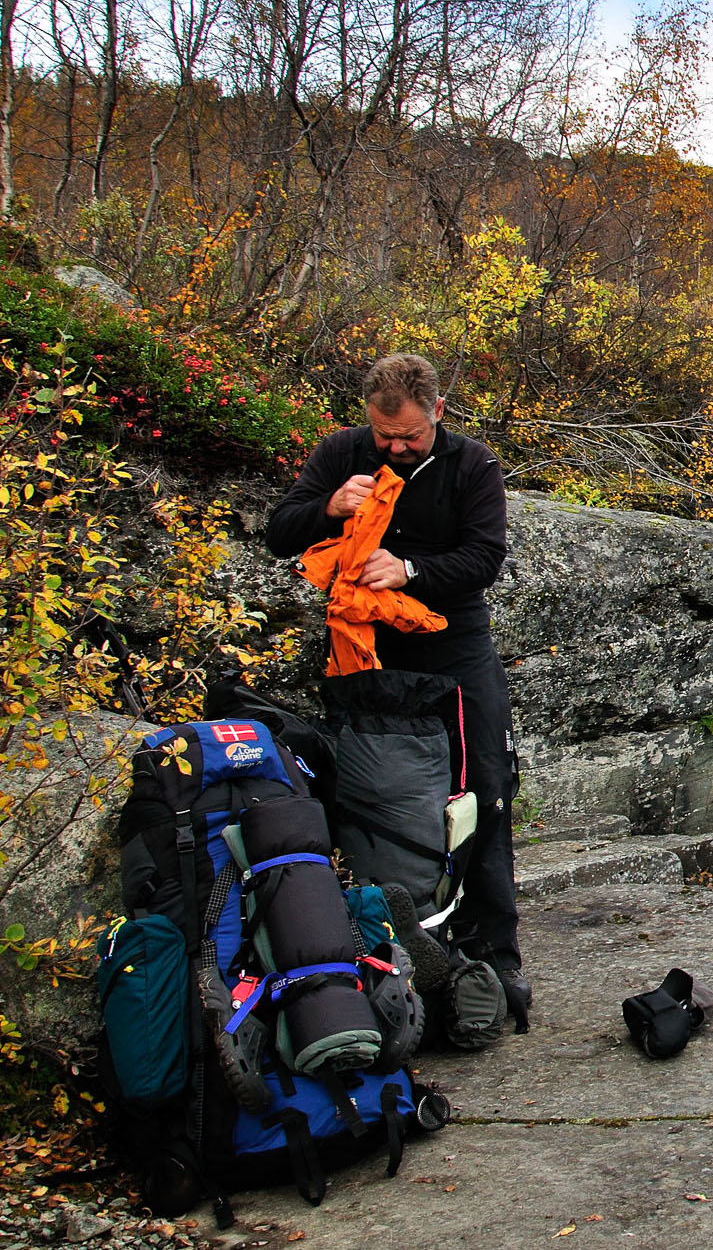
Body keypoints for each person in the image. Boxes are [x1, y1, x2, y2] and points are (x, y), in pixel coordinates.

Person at [266, 353, 530, 1030]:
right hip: (366, 650)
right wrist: (328, 505)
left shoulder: (473, 465)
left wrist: (410, 568)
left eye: (409, 436)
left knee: (485, 789)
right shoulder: (343, 453)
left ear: (437, 413)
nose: (396, 448)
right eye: (385, 435)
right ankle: (381, 942)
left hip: (452, 644)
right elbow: (279, 531)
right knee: (368, 795)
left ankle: (494, 953)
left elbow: (485, 557)